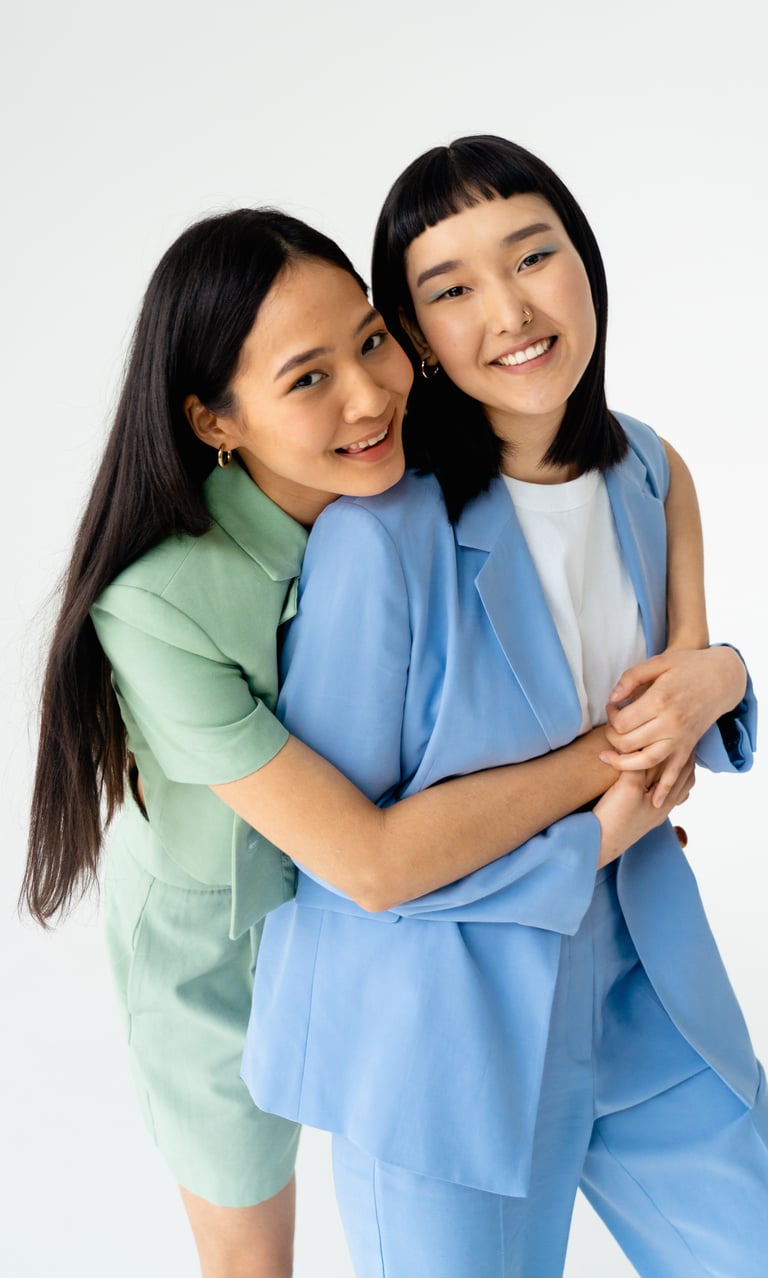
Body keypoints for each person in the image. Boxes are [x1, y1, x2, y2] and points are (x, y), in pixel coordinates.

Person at [22, 207, 705, 1278]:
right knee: (251, 1259)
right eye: (308, 379)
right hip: (225, 950)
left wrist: (708, 677)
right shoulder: (158, 607)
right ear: (214, 422)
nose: (370, 395)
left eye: (372, 342)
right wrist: (615, 763)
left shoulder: (433, 484)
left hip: (429, 924)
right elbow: (371, 861)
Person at [241, 139, 766, 1277]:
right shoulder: (378, 543)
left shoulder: (649, 470)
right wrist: (591, 837)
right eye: (452, 290)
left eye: (533, 257)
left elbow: (680, 703)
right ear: (413, 338)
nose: (511, 311)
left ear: (586, 261)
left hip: (646, 989)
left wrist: (724, 674)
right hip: (443, 1034)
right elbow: (350, 870)